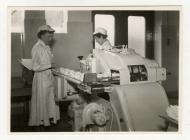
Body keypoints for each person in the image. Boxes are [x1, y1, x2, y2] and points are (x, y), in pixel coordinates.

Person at [28, 25, 60, 127]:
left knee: (50, 99)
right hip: (41, 78)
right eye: (48, 37)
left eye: (51, 37)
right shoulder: (36, 48)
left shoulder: (47, 47)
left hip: (48, 76)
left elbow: (47, 62)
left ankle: (49, 118)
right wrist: (50, 65)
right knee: (43, 99)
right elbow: (35, 67)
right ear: (41, 36)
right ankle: (42, 121)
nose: (50, 39)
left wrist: (53, 68)